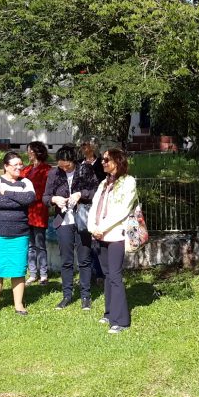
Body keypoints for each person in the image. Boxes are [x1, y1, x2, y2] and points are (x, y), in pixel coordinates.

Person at [43, 143, 98, 310]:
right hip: (63, 221)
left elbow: (96, 191)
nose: (64, 169)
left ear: (74, 161)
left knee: (84, 259)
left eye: (67, 166)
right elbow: (45, 197)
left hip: (82, 220)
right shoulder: (54, 173)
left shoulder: (85, 170)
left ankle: (85, 296)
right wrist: (54, 199)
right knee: (66, 260)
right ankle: (67, 295)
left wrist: (81, 194)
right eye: (61, 166)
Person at [88, 147, 136, 334]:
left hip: (116, 235)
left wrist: (102, 228)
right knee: (107, 274)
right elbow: (94, 207)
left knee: (115, 275)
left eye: (106, 159)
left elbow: (122, 210)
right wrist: (92, 227)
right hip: (100, 234)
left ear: (117, 161)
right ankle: (109, 313)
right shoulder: (104, 183)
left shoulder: (128, 182)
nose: (103, 162)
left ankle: (121, 320)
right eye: (103, 159)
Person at [0, 151, 36, 317]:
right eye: (15, 165)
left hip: (19, 234)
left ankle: (19, 305)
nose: (19, 167)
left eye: (21, 164)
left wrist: (6, 192)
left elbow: (29, 199)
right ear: (6, 166)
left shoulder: (26, 182)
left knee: (18, 269)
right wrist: (17, 200)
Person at [21, 141, 52, 286]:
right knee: (30, 245)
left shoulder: (47, 169)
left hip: (39, 210)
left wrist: (31, 196)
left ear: (36, 152)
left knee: (40, 244)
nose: (28, 153)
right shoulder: (26, 169)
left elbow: (46, 190)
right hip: (26, 211)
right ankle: (33, 273)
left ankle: (44, 274)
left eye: (30, 151)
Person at [79, 136, 106, 284]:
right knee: (84, 241)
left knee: (97, 241)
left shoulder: (101, 163)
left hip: (97, 206)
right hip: (82, 206)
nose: (83, 147)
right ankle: (88, 273)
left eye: (86, 144)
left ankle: (100, 273)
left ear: (93, 147)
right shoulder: (79, 163)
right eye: (82, 145)